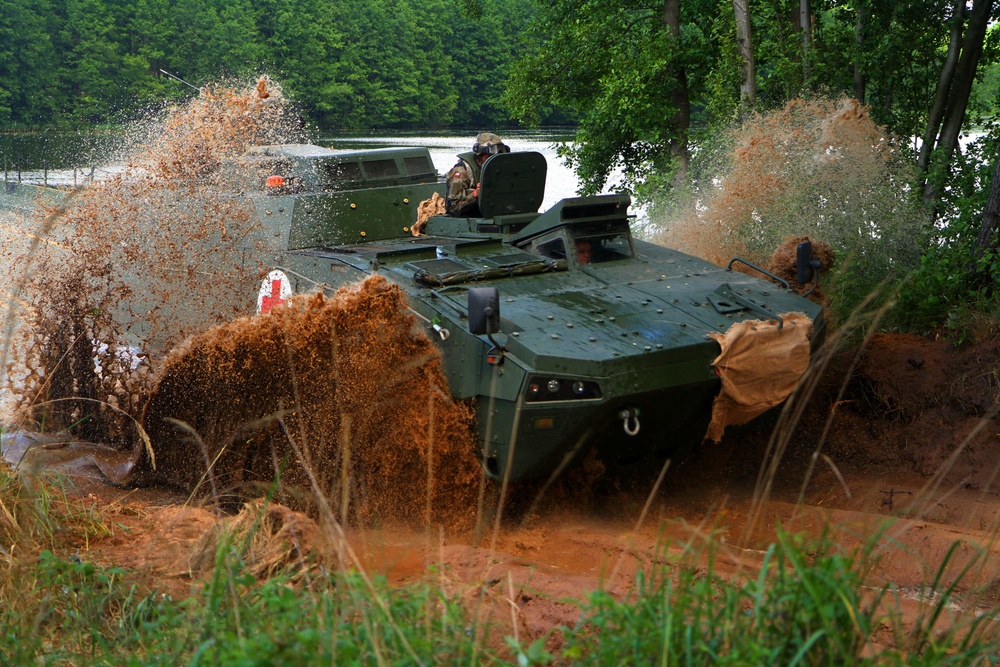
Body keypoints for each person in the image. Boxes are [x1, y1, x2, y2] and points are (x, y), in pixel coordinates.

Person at [445, 132, 510, 217]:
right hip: (467, 219)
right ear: (480, 155)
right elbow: (453, 209)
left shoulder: (498, 169)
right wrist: (475, 194)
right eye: (489, 155)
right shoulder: (462, 172)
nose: (493, 158)